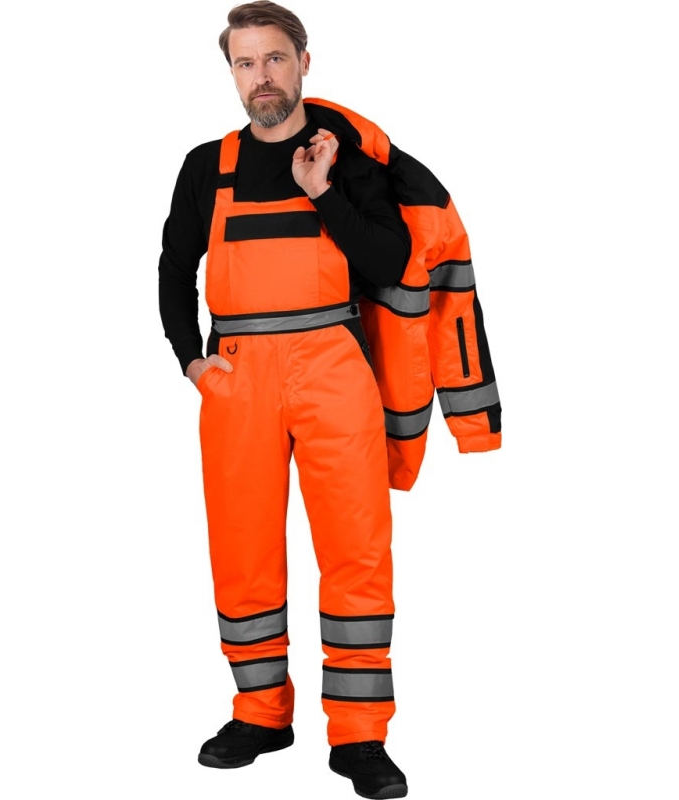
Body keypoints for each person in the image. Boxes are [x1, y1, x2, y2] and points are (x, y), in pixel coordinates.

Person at [158, 2, 411, 797]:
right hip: (238, 375)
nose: (261, 76)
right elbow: (174, 268)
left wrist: (322, 191)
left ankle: (360, 736)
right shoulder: (208, 165)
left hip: (334, 363)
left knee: (357, 548)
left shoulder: (347, 158)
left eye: (274, 58)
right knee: (243, 549)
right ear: (232, 73)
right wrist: (193, 364)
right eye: (245, 62)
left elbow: (390, 260)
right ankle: (261, 714)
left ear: (304, 61)